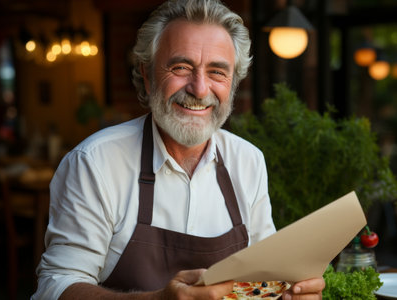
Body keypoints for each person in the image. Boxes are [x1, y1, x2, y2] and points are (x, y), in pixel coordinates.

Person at [32, 0, 325, 299]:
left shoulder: (247, 161)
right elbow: (55, 287)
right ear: (147, 76)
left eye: (217, 72)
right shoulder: (95, 163)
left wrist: (290, 291)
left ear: (233, 84)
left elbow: (263, 281)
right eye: (181, 67)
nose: (199, 89)